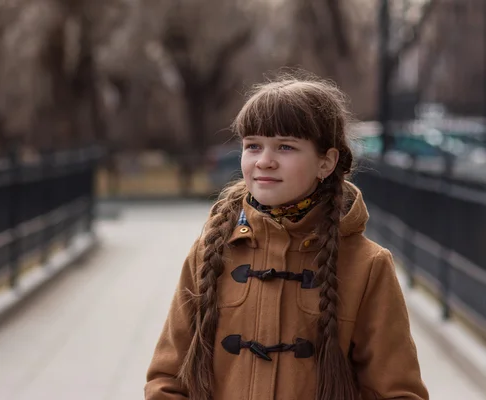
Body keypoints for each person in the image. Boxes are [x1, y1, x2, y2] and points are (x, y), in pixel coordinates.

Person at [145, 75, 429, 400]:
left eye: (285, 146)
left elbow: (399, 391)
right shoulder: (210, 250)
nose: (264, 160)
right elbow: (166, 378)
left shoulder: (367, 265)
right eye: (253, 145)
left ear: (326, 161)